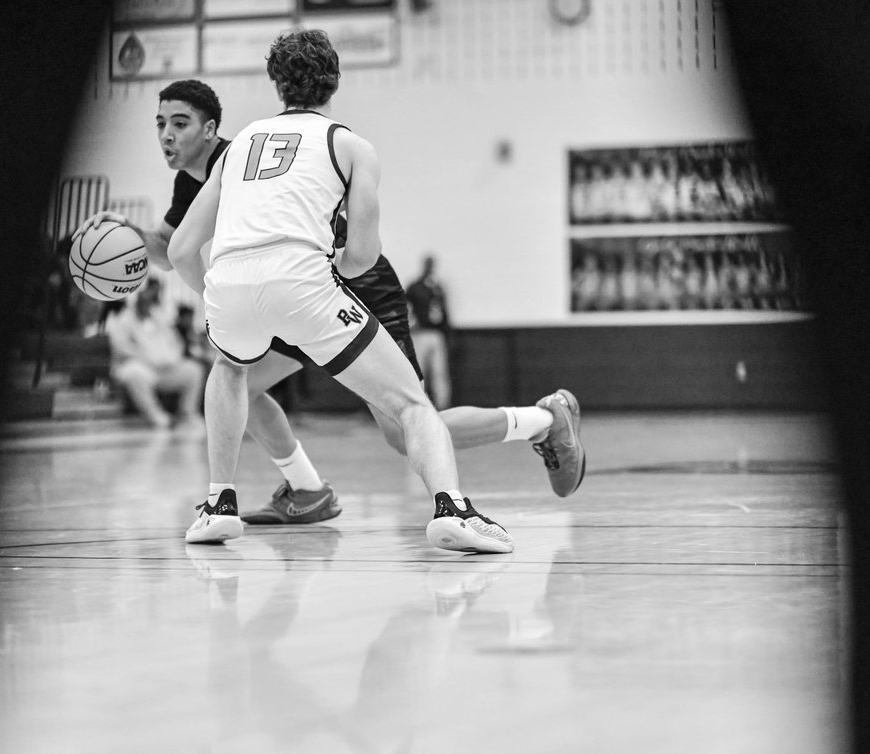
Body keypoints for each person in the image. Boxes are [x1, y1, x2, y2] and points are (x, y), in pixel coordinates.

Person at [76, 75, 584, 536]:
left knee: (403, 429)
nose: (166, 134)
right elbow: (169, 247)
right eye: (160, 123)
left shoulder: (242, 157)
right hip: (288, 294)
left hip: (353, 283)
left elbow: (185, 252)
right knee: (234, 387)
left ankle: (543, 420)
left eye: (180, 123)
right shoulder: (191, 181)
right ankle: (306, 489)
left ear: (211, 130)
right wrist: (125, 236)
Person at [103, 278, 207, 429]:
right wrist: (147, 358)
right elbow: (121, 348)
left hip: (165, 368)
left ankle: (187, 413)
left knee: (193, 370)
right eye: (142, 300)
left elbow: (175, 343)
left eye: (149, 300)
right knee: (134, 373)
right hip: (140, 367)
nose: (146, 303)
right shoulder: (123, 320)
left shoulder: (159, 317)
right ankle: (157, 416)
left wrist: (170, 358)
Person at [404, 254, 452, 409]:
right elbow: (405, 306)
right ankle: (418, 406)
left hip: (436, 334)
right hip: (420, 334)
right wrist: (411, 324)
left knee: (440, 372)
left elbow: (443, 311)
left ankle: (442, 405)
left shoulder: (437, 287)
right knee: (419, 372)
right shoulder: (415, 286)